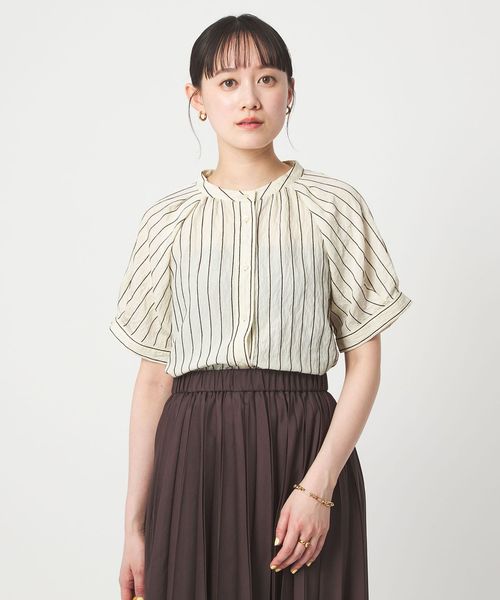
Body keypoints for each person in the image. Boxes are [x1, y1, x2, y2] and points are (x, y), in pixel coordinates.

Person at [109, 13, 412, 600]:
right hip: (194, 455)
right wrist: (134, 529)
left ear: (290, 92)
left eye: (267, 79)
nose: (249, 97)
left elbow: (365, 363)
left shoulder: (334, 206)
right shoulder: (167, 221)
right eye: (228, 82)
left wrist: (318, 486)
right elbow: (152, 381)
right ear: (197, 99)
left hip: (307, 445)